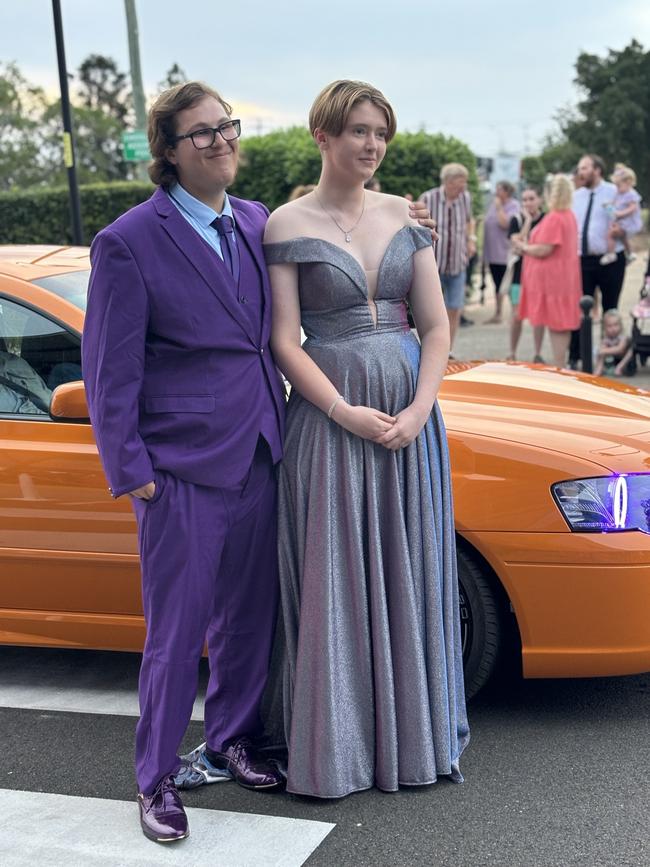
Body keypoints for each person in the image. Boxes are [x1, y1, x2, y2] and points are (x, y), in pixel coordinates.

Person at [82, 81, 288, 844]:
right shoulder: (129, 240)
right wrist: (128, 466)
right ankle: (156, 777)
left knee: (249, 618)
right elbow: (110, 368)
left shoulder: (258, 222)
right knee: (177, 630)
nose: (221, 140)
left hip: (263, 451)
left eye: (226, 126)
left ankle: (232, 738)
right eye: (201, 133)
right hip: (179, 470)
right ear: (168, 153)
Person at [263, 79, 469, 799]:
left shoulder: (401, 215)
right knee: (336, 576)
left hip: (410, 419)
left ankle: (413, 736)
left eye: (380, 131)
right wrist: (341, 410)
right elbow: (285, 341)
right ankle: (339, 747)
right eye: (357, 130)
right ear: (323, 135)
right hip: (329, 418)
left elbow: (437, 326)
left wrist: (419, 408)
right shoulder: (285, 225)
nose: (372, 144)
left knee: (407, 569)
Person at [515, 174, 581, 368]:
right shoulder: (568, 215)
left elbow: (545, 249)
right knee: (560, 323)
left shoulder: (555, 217)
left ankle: (560, 366)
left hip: (552, 281)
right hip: (562, 277)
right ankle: (561, 363)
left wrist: (524, 248)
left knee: (557, 323)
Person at [569, 154, 626, 367]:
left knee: (610, 308)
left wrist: (624, 230)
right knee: (580, 308)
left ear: (597, 170)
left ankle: (610, 356)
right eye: (579, 168)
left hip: (611, 259)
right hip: (583, 260)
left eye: (584, 168)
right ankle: (576, 356)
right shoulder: (576, 197)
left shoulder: (614, 192)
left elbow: (632, 219)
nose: (580, 172)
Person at [418, 163, 476, 352]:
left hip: (457, 262)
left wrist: (471, 240)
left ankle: (448, 351)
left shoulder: (465, 198)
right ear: (448, 182)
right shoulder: (428, 198)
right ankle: (430, 350)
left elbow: (469, 221)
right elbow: (417, 227)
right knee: (430, 311)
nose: (463, 188)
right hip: (433, 264)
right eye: (460, 184)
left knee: (455, 308)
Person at [504, 187, 545, 361]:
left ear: (539, 200)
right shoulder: (517, 220)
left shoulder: (547, 220)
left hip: (540, 275)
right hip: (518, 275)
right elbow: (517, 243)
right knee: (517, 315)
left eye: (531, 198)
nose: (528, 203)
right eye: (525, 199)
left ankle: (537, 353)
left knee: (539, 315)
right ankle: (512, 352)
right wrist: (527, 222)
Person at [483, 180, 520, 324]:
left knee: (508, 284)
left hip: (505, 253)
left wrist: (499, 208)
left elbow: (505, 224)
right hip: (492, 253)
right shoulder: (493, 205)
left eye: (499, 190)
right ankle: (497, 313)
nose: (496, 193)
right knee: (497, 283)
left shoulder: (514, 206)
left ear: (507, 192)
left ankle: (514, 313)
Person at [600, 164, 642, 266]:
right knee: (623, 238)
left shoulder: (631, 194)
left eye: (619, 185)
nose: (617, 188)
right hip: (622, 221)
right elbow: (614, 204)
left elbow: (633, 208)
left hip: (629, 223)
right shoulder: (619, 194)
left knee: (611, 234)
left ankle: (611, 253)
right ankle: (630, 253)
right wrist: (608, 206)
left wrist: (620, 214)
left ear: (628, 183)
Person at [593, 309, 633, 376]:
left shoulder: (623, 336)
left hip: (625, 359)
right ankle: (599, 368)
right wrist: (602, 350)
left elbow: (620, 349)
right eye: (609, 326)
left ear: (620, 325)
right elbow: (602, 347)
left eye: (616, 325)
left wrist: (603, 351)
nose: (613, 328)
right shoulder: (606, 338)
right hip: (614, 358)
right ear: (605, 328)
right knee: (602, 350)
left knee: (631, 351)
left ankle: (619, 368)